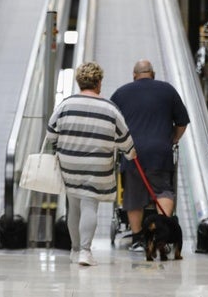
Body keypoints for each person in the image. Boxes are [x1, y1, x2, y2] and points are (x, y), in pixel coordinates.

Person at [46, 62, 136, 266]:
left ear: (80, 82)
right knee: (89, 205)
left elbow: (51, 135)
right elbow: (125, 139)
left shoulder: (65, 105)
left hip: (69, 164)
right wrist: (131, 153)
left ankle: (74, 249)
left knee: (73, 207)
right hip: (96, 165)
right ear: (98, 83)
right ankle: (85, 252)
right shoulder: (109, 108)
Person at [110, 59, 190, 252]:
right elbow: (182, 122)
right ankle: (161, 236)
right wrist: (172, 140)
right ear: (152, 74)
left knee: (133, 195)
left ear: (134, 75)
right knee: (163, 190)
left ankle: (138, 239)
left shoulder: (120, 93)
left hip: (132, 152)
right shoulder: (168, 90)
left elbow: (111, 123)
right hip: (159, 152)